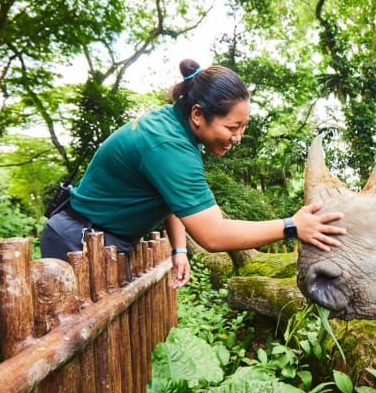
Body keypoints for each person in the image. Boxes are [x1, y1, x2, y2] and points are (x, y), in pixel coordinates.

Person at [40, 59, 346, 288]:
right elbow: (212, 234)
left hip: (100, 237)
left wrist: (179, 248)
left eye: (243, 127)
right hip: (78, 242)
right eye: (231, 127)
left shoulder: (174, 127)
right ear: (198, 114)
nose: (237, 138)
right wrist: (292, 226)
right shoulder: (169, 146)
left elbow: (170, 198)